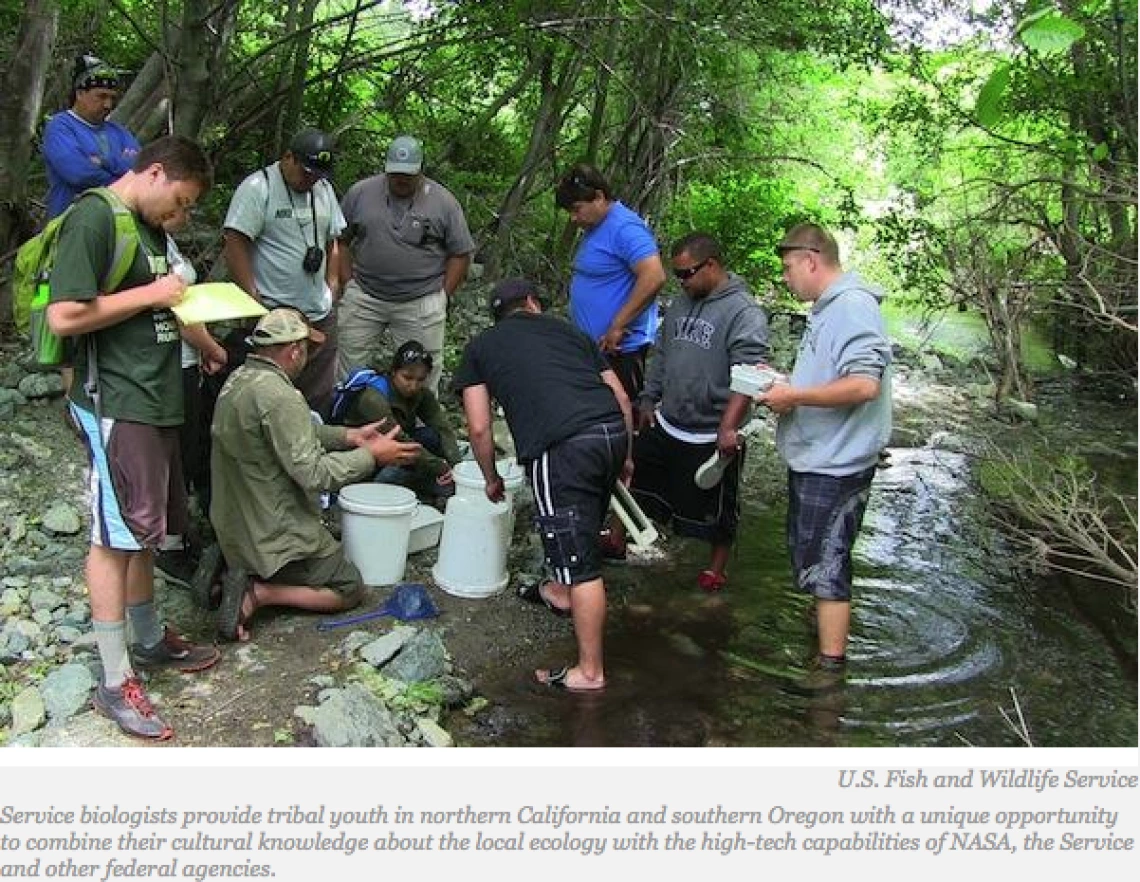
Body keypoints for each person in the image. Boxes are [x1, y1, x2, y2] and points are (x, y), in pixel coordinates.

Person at [46, 135, 227, 741]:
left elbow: (163, 307)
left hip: (157, 398)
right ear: (153, 174)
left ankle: (148, 639)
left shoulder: (149, 228)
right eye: (179, 200)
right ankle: (113, 677)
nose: (182, 215)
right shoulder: (95, 219)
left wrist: (204, 346)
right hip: (113, 403)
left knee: (145, 529)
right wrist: (153, 293)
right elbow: (64, 315)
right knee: (114, 536)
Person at [453, 279, 633, 692]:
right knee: (580, 524)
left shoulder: (481, 348)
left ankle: (590, 672)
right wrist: (625, 457)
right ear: (533, 304)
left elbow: (479, 428)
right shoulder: (571, 332)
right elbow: (621, 396)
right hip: (609, 432)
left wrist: (490, 478)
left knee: (578, 555)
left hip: (561, 446)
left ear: (497, 316)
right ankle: (558, 589)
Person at [209, 308, 422, 643]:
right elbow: (315, 475)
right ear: (295, 350)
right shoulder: (281, 397)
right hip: (271, 531)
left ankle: (231, 568)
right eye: (306, 349)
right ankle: (259, 591)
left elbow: (292, 433)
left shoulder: (241, 379)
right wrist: (371, 455)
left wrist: (348, 437)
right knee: (349, 587)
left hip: (233, 520)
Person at [758, 222, 892, 693]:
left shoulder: (852, 307)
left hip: (838, 462)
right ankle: (823, 648)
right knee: (815, 557)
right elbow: (831, 375)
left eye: (789, 268)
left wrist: (792, 397)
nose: (786, 278)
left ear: (811, 260)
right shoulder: (827, 309)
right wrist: (778, 381)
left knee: (829, 559)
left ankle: (829, 672)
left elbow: (863, 384)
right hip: (819, 456)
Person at [606, 233, 769, 592]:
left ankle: (716, 569)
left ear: (711, 265)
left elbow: (750, 375)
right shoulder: (682, 302)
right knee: (637, 480)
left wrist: (729, 428)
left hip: (712, 430)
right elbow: (662, 352)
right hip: (668, 419)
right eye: (677, 274)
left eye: (686, 274)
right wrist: (648, 397)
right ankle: (616, 538)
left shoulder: (744, 313)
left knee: (719, 507)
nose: (681, 281)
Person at [336, 135, 475, 392]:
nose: (401, 179)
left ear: (420, 171)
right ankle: (349, 423)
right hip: (365, 294)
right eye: (395, 174)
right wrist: (346, 282)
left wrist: (443, 295)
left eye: (408, 175)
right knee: (349, 371)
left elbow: (461, 253)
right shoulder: (361, 193)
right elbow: (340, 239)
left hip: (420, 299)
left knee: (420, 376)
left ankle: (418, 428)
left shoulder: (443, 202)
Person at [223, 127, 346, 417]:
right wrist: (252, 300)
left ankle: (313, 454)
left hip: (318, 311)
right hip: (275, 315)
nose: (310, 180)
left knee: (317, 394)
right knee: (268, 396)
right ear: (288, 157)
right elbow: (235, 241)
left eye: (317, 175)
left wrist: (333, 285)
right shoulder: (259, 187)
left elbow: (334, 241)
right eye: (305, 172)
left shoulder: (323, 190)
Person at [555, 163, 667, 401]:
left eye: (577, 209)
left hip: (620, 351)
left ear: (599, 197)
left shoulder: (625, 228)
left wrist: (618, 324)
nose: (574, 219)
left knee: (622, 413)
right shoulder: (596, 227)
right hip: (595, 348)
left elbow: (654, 275)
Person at [338, 340, 463, 503]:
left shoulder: (421, 395)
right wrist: (440, 467)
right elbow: (399, 438)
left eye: (420, 379)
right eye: (407, 377)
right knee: (397, 467)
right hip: (367, 453)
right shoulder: (373, 398)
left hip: (396, 447)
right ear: (393, 372)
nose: (413, 385)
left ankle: (421, 483)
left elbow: (442, 427)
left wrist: (457, 466)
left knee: (432, 436)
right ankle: (377, 491)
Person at [42, 54, 140, 219]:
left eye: (112, 98)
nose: (108, 105)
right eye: (101, 96)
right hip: (69, 221)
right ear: (80, 94)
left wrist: (103, 161)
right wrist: (121, 175)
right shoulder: (60, 127)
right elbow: (78, 173)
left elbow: (139, 167)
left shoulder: (119, 131)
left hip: (117, 223)